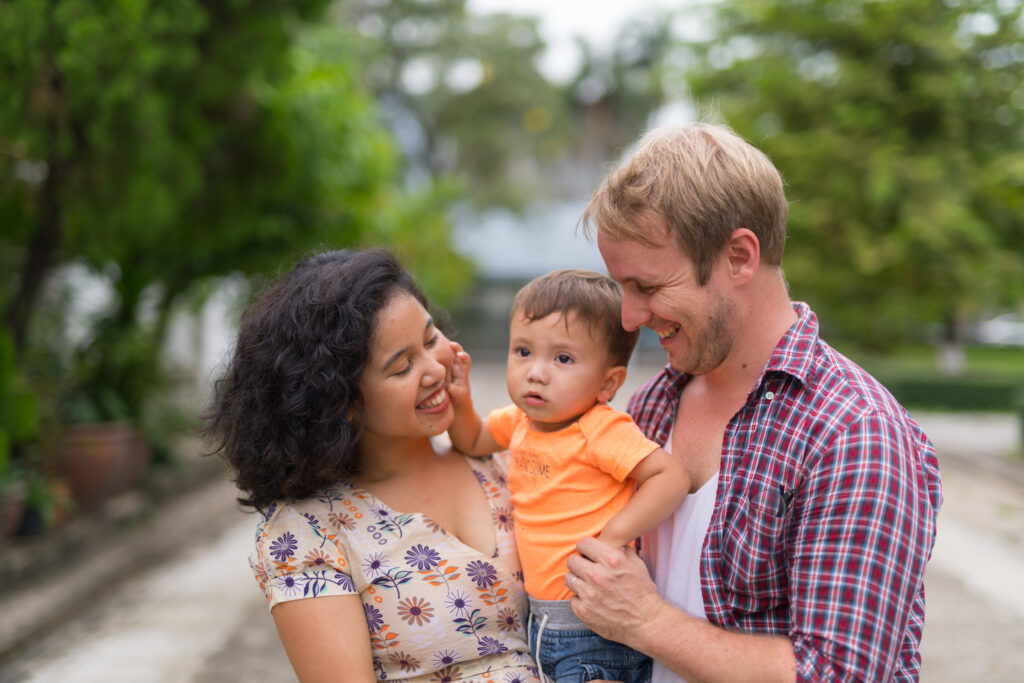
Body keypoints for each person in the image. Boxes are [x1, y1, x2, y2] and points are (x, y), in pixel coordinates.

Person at [564, 122, 943, 682]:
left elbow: (840, 674)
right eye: (622, 287)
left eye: (647, 286)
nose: (629, 318)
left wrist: (645, 621)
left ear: (740, 256)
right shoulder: (650, 407)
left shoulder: (854, 432)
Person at [203, 248, 540, 683]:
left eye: (431, 337)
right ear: (341, 403)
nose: (434, 369)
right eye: (402, 367)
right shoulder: (310, 533)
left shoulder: (505, 459)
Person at [446, 268, 690, 683]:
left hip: (594, 630)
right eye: (523, 351)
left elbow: (670, 477)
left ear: (607, 382)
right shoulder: (521, 421)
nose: (536, 372)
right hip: (541, 622)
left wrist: (612, 538)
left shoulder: (598, 428)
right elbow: (472, 439)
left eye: (562, 359)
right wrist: (460, 397)